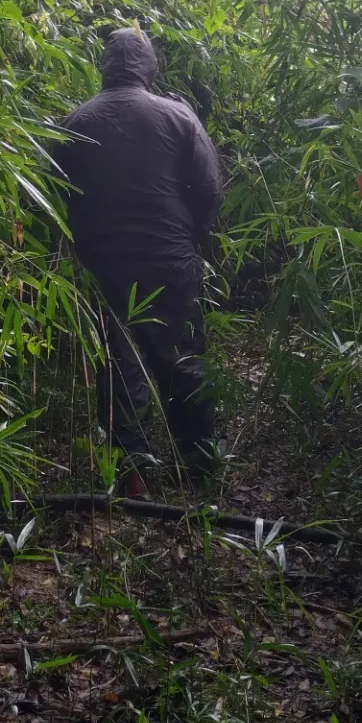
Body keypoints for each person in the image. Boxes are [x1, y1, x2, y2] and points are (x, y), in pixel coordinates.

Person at [51, 28, 222, 496]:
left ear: (104, 67)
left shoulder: (74, 121)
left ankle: (135, 473)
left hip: (102, 264)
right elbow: (209, 189)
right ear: (150, 67)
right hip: (169, 260)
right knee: (182, 358)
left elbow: (54, 197)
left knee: (118, 364)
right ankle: (200, 465)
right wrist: (192, 236)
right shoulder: (177, 115)